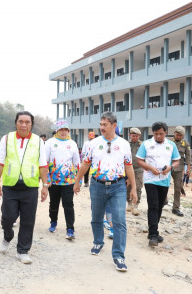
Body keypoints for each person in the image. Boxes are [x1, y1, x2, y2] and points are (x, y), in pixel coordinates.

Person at [73, 111, 137, 272]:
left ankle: (118, 255)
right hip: (97, 185)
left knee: (119, 221)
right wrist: (77, 181)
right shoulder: (93, 144)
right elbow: (85, 164)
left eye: (105, 125)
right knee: (96, 217)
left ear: (114, 126)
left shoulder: (124, 144)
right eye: (100, 124)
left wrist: (134, 188)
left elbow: (128, 166)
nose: (101, 127)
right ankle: (98, 242)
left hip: (118, 186)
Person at [0, 111, 49, 264]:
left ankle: (22, 250)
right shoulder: (7, 138)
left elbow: (43, 164)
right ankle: (7, 235)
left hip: (30, 186)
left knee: (28, 220)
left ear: (32, 124)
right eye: (21, 121)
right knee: (7, 217)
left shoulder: (38, 141)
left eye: (27, 122)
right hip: (10, 186)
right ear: (16, 123)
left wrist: (45, 186)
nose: (24, 125)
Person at [136, 122, 180, 247]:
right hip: (150, 179)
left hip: (164, 179)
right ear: (153, 133)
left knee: (160, 206)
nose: (158, 136)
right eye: (156, 134)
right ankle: (154, 235)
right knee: (153, 205)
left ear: (165, 132)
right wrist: (150, 168)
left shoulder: (171, 145)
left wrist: (170, 167)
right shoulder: (146, 144)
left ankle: (152, 231)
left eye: (161, 134)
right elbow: (139, 160)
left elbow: (176, 161)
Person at [46, 120, 80, 239]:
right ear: (57, 131)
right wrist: (46, 179)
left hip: (68, 180)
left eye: (66, 130)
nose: (63, 132)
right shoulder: (50, 142)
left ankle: (70, 228)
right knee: (54, 203)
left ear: (68, 131)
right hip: (53, 180)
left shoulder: (72, 143)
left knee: (68, 204)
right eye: (61, 130)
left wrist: (78, 181)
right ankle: (53, 221)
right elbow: (45, 161)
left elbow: (77, 163)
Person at [169, 126, 192, 217]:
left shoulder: (185, 144)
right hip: (168, 167)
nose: (178, 137)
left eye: (180, 135)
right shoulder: (169, 141)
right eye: (177, 134)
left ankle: (176, 208)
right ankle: (163, 202)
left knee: (178, 188)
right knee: (163, 186)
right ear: (174, 133)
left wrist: (188, 169)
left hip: (179, 168)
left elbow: (188, 157)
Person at [127, 127, 143, 216]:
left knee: (138, 186)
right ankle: (129, 203)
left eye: (137, 136)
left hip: (138, 168)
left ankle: (136, 205)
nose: (135, 138)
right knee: (128, 186)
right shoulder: (126, 144)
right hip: (128, 168)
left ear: (139, 136)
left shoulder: (142, 145)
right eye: (133, 136)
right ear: (130, 135)